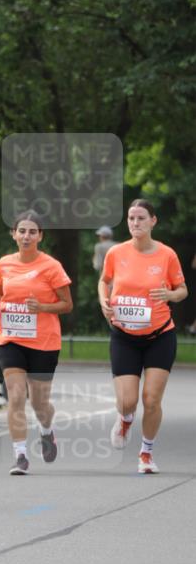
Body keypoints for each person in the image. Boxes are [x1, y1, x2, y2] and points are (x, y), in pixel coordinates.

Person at [98, 199, 187, 474]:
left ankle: (146, 453)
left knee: (151, 399)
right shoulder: (116, 252)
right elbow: (104, 280)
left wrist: (170, 295)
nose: (135, 223)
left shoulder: (167, 255)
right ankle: (125, 419)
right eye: (131, 218)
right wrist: (103, 300)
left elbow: (183, 289)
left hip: (160, 335)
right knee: (128, 401)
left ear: (153, 221)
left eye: (141, 218)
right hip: (124, 336)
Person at [0, 211, 73, 475]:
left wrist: (43, 307)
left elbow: (67, 305)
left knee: (39, 403)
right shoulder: (4, 264)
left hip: (44, 342)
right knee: (15, 396)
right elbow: (0, 293)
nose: (26, 236)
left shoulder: (51, 266)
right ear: (14, 234)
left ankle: (47, 432)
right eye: (22, 231)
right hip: (11, 338)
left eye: (32, 232)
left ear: (40, 236)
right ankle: (20, 456)